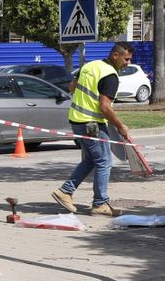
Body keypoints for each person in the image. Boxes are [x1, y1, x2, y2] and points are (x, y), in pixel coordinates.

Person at [52, 41, 136, 218]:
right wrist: (121, 126)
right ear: (115, 55)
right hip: (92, 124)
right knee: (104, 162)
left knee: (90, 160)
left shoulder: (90, 66)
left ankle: (65, 192)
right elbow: (105, 107)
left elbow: (71, 87)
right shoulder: (110, 76)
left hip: (76, 120)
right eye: (126, 59)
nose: (128, 63)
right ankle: (99, 204)